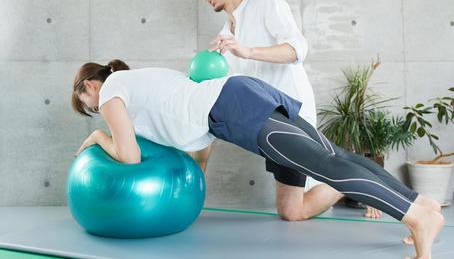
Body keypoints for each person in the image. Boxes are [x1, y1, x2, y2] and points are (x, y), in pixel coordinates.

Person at [72, 60, 443, 258]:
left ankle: (418, 219)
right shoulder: (138, 82)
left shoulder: (112, 91)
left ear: (88, 86)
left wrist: (98, 136)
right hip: (237, 98)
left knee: (327, 165)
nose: (94, 109)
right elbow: (190, 127)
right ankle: (422, 205)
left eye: (87, 106)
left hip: (234, 108)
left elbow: (131, 157)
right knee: (335, 157)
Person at [190, 0, 382, 220]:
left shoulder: (267, 3)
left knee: (295, 209)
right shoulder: (223, 37)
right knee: (291, 211)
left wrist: (248, 51)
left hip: (293, 115)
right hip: (265, 123)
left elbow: (297, 50)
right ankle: (348, 182)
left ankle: (360, 180)